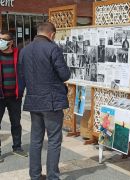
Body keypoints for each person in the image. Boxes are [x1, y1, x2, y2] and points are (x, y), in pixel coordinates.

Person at [19, 22, 71, 180]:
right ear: (52, 34)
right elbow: (64, 75)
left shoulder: (24, 50)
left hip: (34, 100)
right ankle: (52, 177)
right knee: (54, 140)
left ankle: (34, 175)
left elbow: (22, 76)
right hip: (51, 101)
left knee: (36, 140)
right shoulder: (53, 48)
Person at [0, 31, 28, 163]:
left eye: (3, 40)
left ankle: (17, 147)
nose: (0, 42)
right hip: (0, 96)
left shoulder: (20, 54)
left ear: (11, 42)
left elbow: (25, 73)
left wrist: (22, 89)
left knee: (16, 123)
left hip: (15, 96)